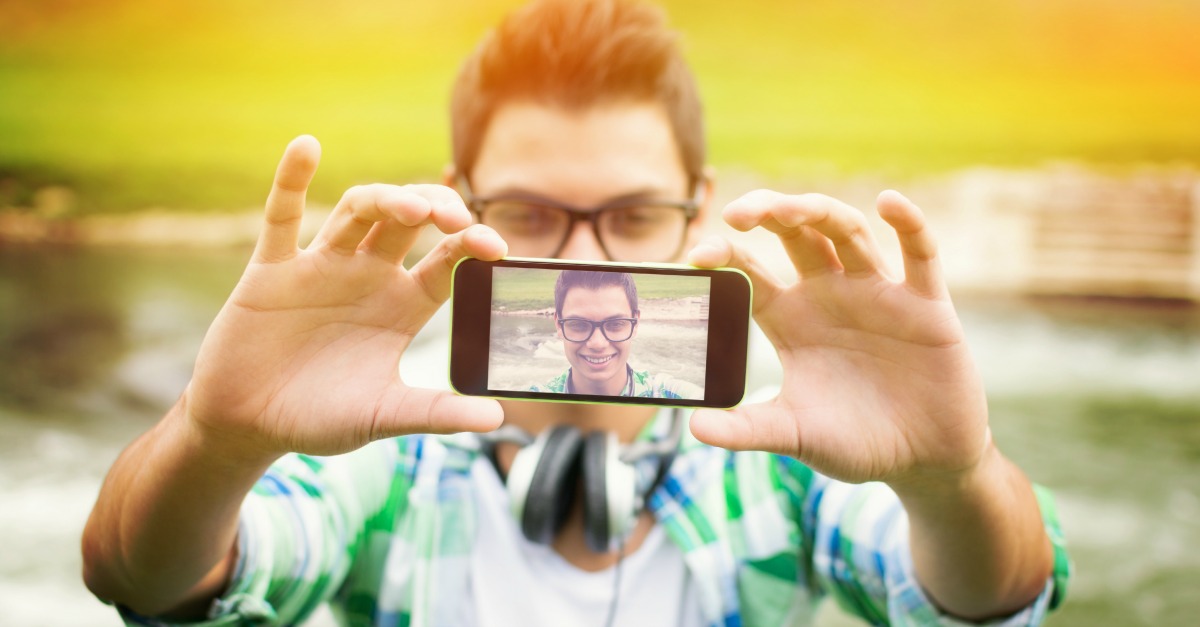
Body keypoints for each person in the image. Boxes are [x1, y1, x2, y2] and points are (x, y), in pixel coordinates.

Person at [82, 0, 1071, 625]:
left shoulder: (785, 469)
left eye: (633, 215)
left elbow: (996, 597)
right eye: (529, 213)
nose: (581, 264)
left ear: (699, 204)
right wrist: (213, 442)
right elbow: (147, 582)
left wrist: (954, 479)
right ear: (462, 202)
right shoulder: (380, 460)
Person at [529, 269, 704, 399]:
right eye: (579, 325)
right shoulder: (532, 401)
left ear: (635, 323)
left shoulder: (676, 395)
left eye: (615, 324)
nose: (597, 343)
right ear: (558, 325)